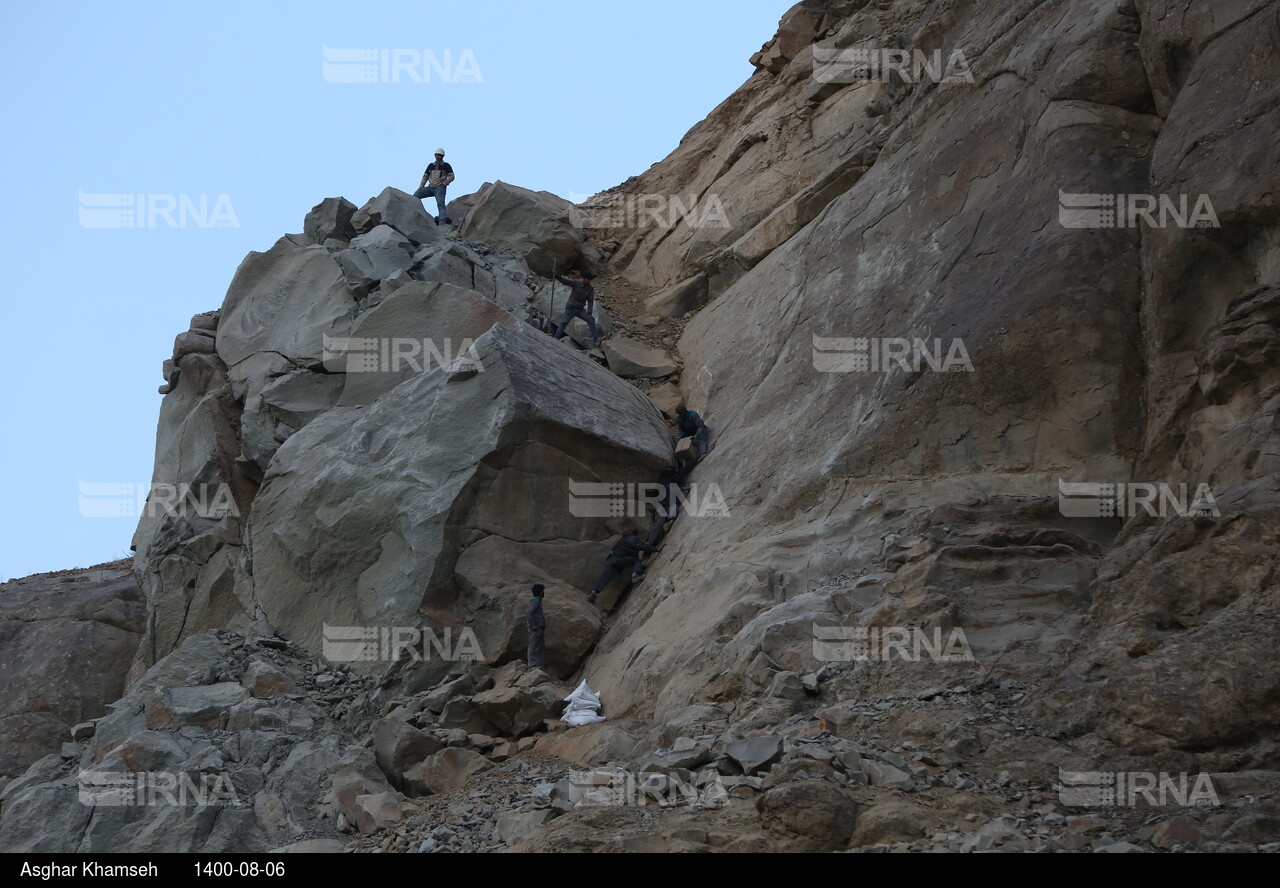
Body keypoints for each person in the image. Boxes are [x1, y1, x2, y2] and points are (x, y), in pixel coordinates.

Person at [588, 530, 659, 604]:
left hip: (611, 560)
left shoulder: (622, 540)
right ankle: (635, 576)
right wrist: (656, 549)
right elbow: (643, 546)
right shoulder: (632, 538)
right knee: (637, 561)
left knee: (606, 576)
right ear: (635, 533)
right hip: (620, 559)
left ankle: (594, 592)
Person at [646, 464, 689, 546]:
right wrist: (683, 488)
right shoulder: (662, 481)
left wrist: (683, 466)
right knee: (659, 523)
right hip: (661, 506)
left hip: (669, 505)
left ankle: (669, 521)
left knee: (675, 508)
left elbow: (680, 476)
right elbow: (670, 488)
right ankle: (650, 543)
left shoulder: (672, 480)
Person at [552, 272, 599, 344]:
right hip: (570, 308)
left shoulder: (590, 289)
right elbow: (566, 281)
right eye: (588, 280)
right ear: (584, 279)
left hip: (580, 310)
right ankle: (556, 337)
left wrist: (590, 313)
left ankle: (596, 340)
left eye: (590, 280)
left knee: (591, 320)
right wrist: (557, 276)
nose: (589, 281)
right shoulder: (576, 283)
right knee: (564, 322)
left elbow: (590, 301)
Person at [414, 148, 455, 224]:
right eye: (438, 155)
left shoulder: (446, 165)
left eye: (440, 155)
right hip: (430, 187)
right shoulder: (431, 165)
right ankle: (415, 215)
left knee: (440, 205)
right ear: (435, 155)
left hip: (440, 188)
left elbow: (451, 176)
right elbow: (425, 177)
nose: (439, 156)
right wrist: (421, 187)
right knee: (416, 195)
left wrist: (445, 183)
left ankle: (442, 223)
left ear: (443, 156)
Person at [526, 583, 546, 668]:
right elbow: (529, 612)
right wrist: (533, 625)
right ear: (540, 592)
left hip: (538, 628)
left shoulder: (537, 600)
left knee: (538, 647)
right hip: (535, 628)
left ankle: (537, 665)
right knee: (534, 646)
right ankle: (533, 665)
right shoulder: (536, 600)